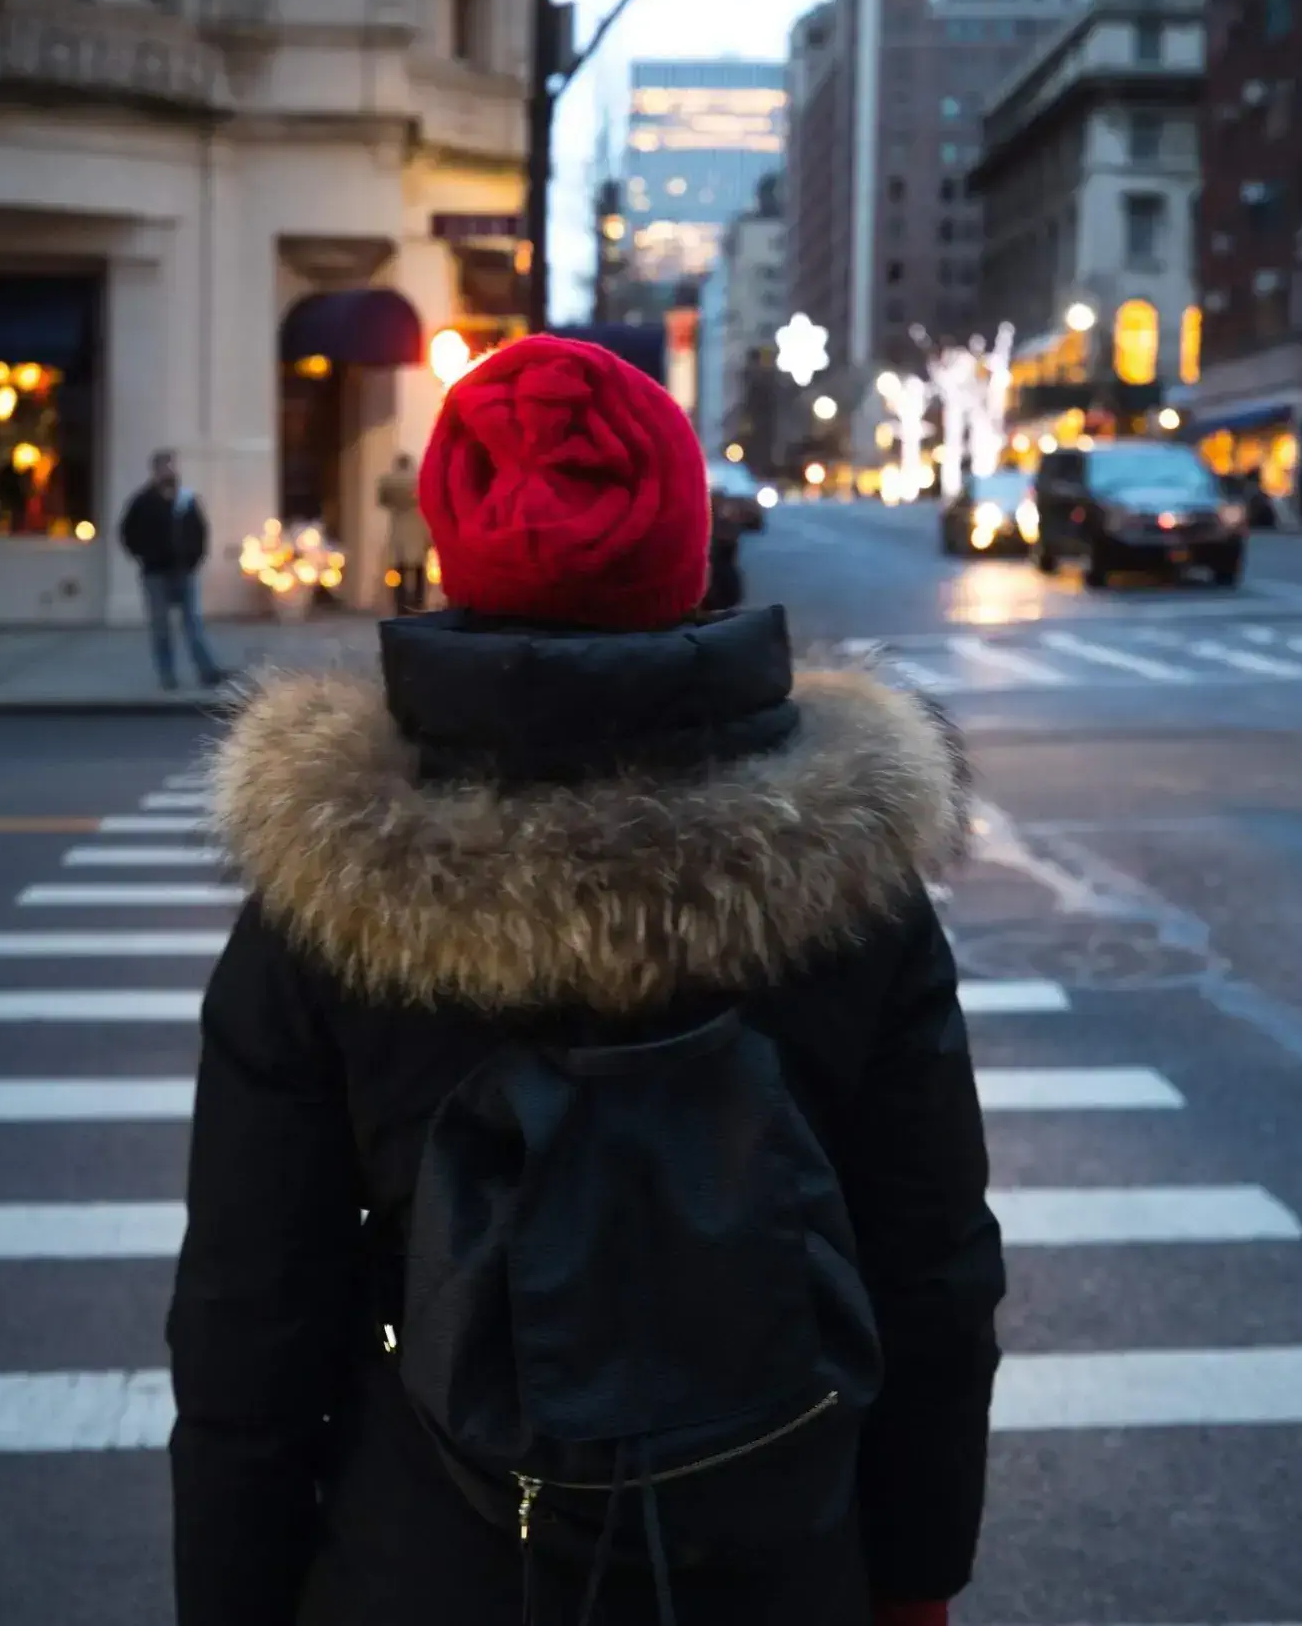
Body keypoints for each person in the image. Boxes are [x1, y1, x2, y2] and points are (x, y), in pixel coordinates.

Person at [169, 335, 1001, 1626]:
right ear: (684, 543)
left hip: (427, 1559)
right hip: (775, 1557)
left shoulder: (326, 891)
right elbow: (934, 1266)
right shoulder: (846, 872)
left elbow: (247, 1315)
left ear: (457, 544)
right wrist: (916, 1579)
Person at [119, 450, 227, 691]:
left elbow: (201, 531)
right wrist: (144, 556)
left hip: (184, 571)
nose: (169, 472)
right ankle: (167, 676)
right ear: (155, 471)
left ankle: (206, 671)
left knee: (193, 624)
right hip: (155, 574)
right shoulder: (143, 502)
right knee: (161, 628)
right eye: (164, 467)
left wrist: (194, 559)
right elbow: (127, 533)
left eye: (171, 466)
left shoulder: (186, 501)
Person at [378, 451, 432, 614]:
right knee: (418, 569)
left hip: (399, 526)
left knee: (400, 568)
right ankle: (418, 602)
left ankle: (400, 604)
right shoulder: (420, 480)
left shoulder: (389, 481)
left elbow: (382, 500)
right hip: (418, 526)